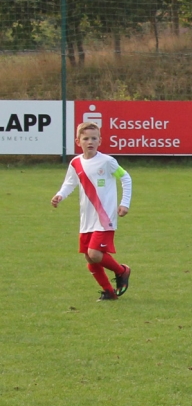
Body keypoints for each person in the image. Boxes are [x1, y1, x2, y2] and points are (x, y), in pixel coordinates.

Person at [51, 122, 132, 301]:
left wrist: (124, 203)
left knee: (95, 253)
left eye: (94, 138)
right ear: (78, 141)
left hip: (105, 217)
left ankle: (122, 271)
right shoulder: (75, 163)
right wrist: (60, 195)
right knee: (89, 257)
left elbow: (125, 178)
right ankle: (109, 292)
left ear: (100, 141)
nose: (90, 142)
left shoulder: (107, 161)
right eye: (86, 138)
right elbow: (69, 183)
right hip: (87, 218)